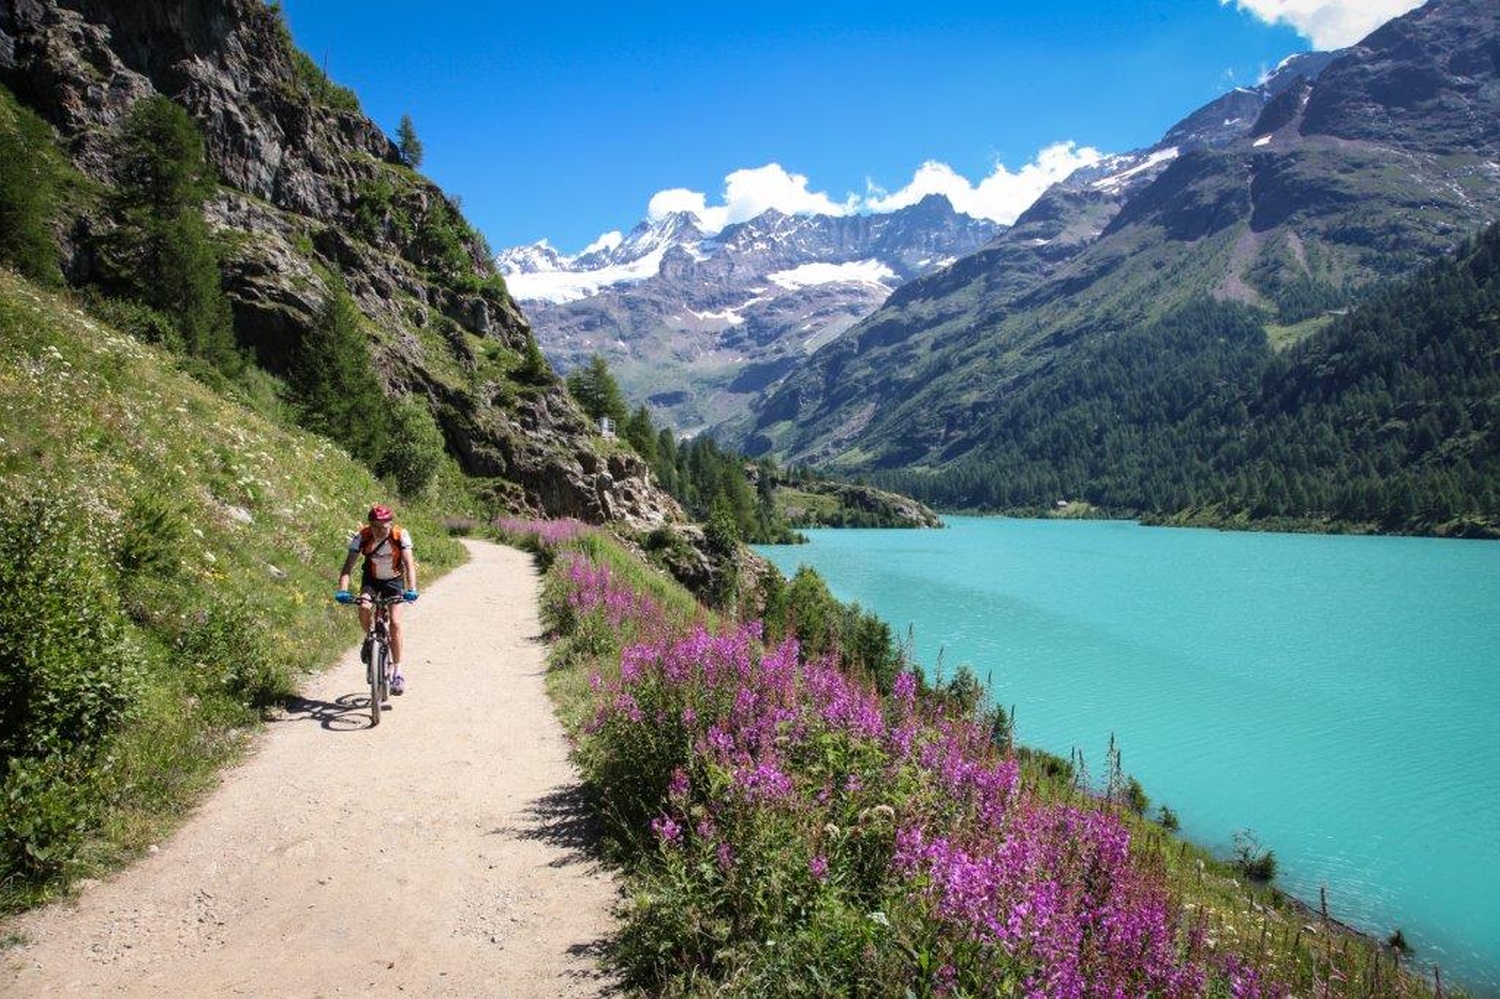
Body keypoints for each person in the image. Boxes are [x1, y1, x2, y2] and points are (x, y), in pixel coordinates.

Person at [335, 505, 419, 694]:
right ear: (369, 525)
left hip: (394, 581)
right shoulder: (362, 537)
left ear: (391, 524)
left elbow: (409, 564)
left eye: (383, 527)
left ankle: (397, 671)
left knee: (396, 623)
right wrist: (343, 590)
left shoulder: (400, 536)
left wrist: (411, 588)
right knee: (364, 606)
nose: (379, 531)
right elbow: (347, 567)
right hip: (371, 580)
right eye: (374, 526)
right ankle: (370, 637)